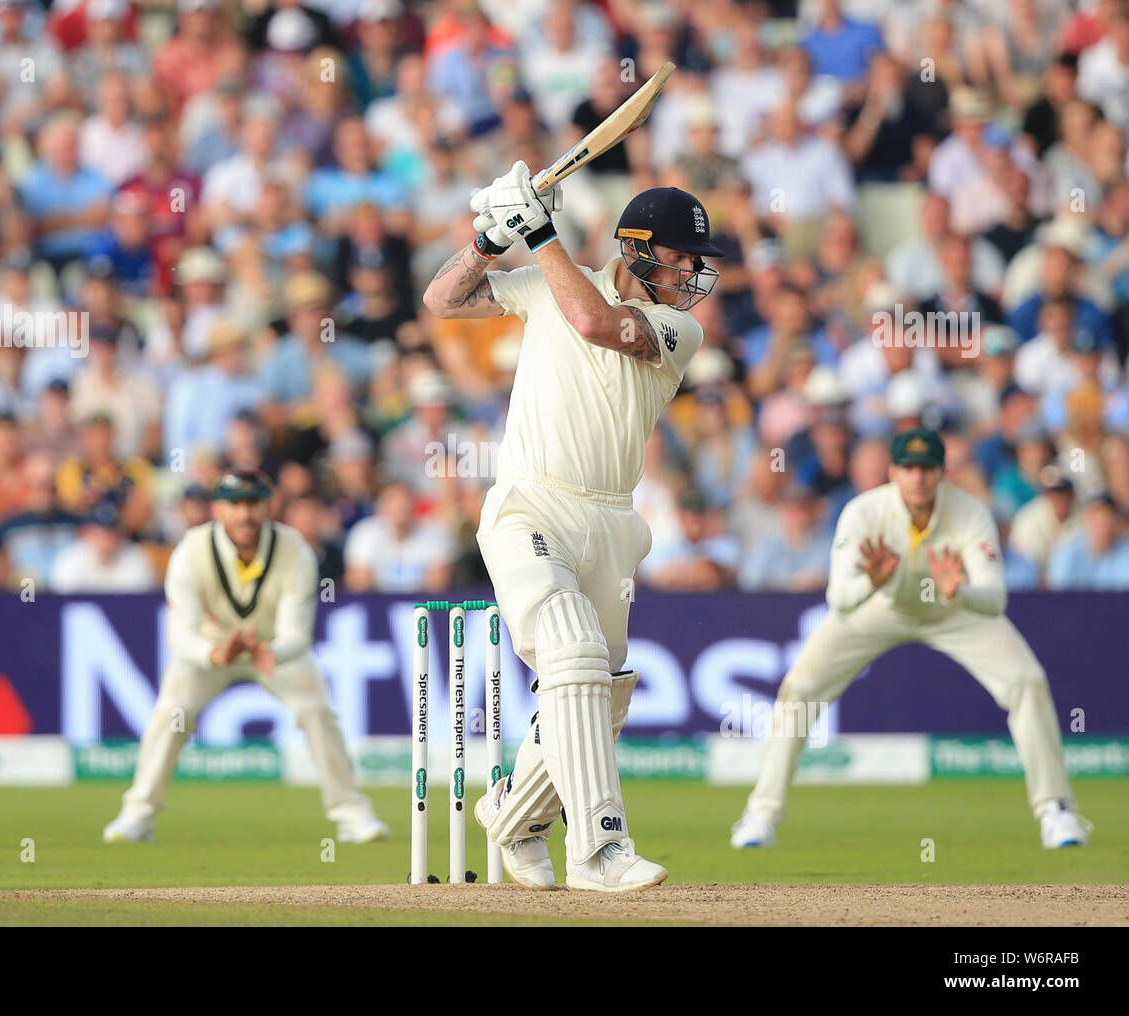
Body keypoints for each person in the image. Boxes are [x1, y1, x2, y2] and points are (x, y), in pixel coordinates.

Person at [423, 173, 722, 892]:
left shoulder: (681, 329)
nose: (692, 276)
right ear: (641, 251)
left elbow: (594, 322)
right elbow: (442, 301)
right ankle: (599, 849)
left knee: (600, 689)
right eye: (683, 260)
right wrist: (488, 242)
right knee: (574, 650)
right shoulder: (547, 282)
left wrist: (539, 234)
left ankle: (516, 817)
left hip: (613, 521)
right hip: (530, 505)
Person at [729, 430, 1091, 851]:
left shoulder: (971, 514)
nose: (917, 478)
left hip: (952, 611)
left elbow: (994, 601)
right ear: (893, 472)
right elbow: (839, 599)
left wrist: (961, 591)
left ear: (942, 473)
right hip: (877, 608)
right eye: (909, 468)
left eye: (926, 469)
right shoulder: (864, 512)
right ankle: (761, 814)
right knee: (800, 689)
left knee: (1027, 681)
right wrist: (871, 581)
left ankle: (1056, 810)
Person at [101, 468, 387, 845]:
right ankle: (138, 814)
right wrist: (214, 652)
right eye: (234, 504)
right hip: (211, 651)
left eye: (252, 503)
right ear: (217, 508)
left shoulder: (294, 549)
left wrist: (271, 651)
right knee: (171, 712)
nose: (244, 515)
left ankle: (352, 814)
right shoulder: (190, 551)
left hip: (272, 652)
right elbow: (180, 635)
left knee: (316, 711)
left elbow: (297, 635)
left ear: (268, 506)